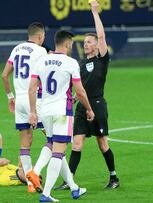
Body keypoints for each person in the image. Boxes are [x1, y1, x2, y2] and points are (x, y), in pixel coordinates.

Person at [55, 0, 120, 190]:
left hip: (98, 105)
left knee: (102, 143)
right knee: (76, 144)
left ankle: (114, 177)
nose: (85, 44)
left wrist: (94, 11)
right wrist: (76, 97)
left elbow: (101, 34)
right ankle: (69, 180)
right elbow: (80, 87)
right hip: (83, 106)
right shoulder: (80, 64)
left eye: (89, 41)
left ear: (97, 45)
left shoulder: (102, 59)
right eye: (84, 42)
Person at [27, 30, 95, 202]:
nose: (71, 46)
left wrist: (33, 112)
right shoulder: (71, 63)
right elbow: (79, 91)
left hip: (46, 111)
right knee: (59, 151)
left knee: (53, 145)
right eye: (71, 44)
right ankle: (46, 194)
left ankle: (74, 188)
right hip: (63, 111)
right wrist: (88, 108)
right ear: (67, 44)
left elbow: (32, 88)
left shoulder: (41, 61)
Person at [2, 22, 48, 193]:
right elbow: (45, 75)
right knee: (53, 139)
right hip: (34, 99)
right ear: (40, 36)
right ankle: (39, 174)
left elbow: (4, 75)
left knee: (25, 142)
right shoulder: (40, 51)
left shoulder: (16, 49)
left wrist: (10, 97)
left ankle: (30, 183)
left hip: (19, 100)